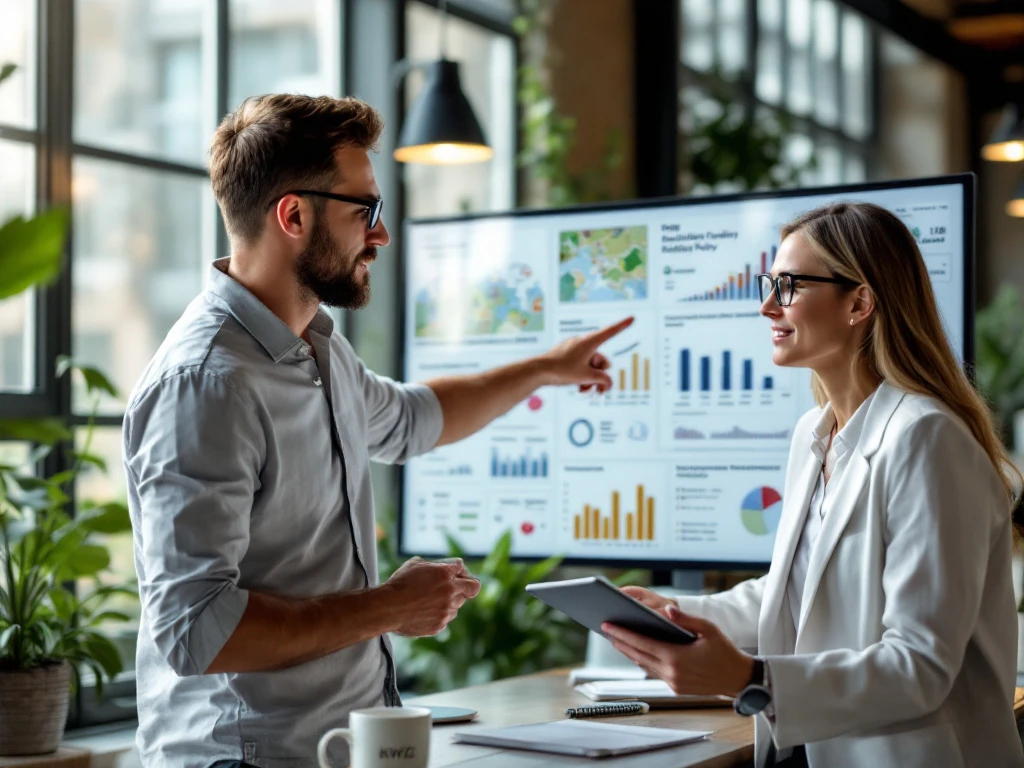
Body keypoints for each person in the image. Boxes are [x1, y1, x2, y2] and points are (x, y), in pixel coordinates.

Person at [123, 93, 631, 767]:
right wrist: (389, 607)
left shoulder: (319, 352)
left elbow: (417, 419)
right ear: (294, 214)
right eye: (364, 209)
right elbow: (197, 632)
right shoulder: (207, 383)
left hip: (333, 749)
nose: (381, 234)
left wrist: (544, 368)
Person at [607, 202, 1024, 768]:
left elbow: (920, 665)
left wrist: (752, 677)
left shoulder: (928, 440)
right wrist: (673, 613)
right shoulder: (815, 431)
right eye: (769, 283)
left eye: (789, 286)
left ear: (859, 302)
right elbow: (794, 595)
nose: (766, 305)